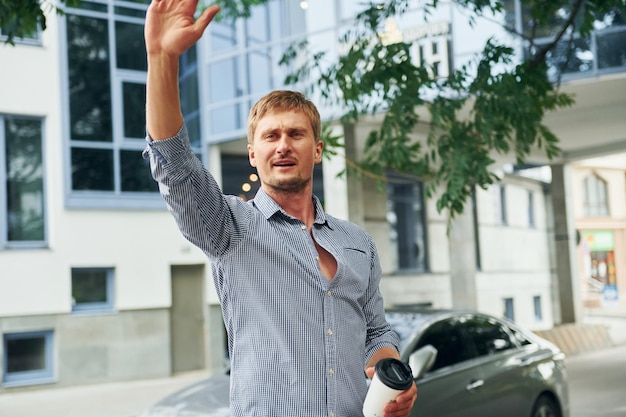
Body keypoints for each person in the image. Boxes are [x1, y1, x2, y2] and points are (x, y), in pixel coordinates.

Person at [143, 1, 418, 416]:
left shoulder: (358, 242)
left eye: (296, 134)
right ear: (253, 154)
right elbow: (175, 165)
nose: (284, 144)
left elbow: (376, 331)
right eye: (271, 136)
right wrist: (161, 59)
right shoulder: (229, 228)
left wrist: (392, 378)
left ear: (318, 149)